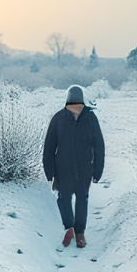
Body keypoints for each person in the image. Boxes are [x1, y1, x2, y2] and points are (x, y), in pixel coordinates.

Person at [42, 85, 105, 248]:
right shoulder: (91, 118)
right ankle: (79, 234)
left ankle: (69, 226)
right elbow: (99, 146)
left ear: (67, 99)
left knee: (63, 198)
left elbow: (49, 147)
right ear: (82, 99)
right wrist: (98, 170)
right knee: (82, 199)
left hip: (63, 167)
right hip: (84, 167)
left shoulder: (58, 117)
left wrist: (49, 171)